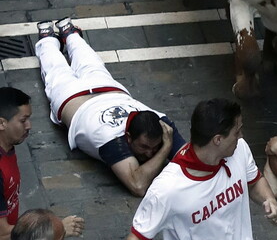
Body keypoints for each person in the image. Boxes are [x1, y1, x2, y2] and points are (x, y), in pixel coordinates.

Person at [34, 17, 186, 197]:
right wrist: (166, 149)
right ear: (128, 137)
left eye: (155, 146)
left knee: (88, 63)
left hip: (107, 89)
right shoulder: (110, 138)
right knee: (58, 69)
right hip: (73, 96)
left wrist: (166, 144)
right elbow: (138, 185)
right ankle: (51, 39)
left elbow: (193, 159)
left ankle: (69, 35)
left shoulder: (161, 123)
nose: (150, 152)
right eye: (144, 147)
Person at [123, 98, 277, 240]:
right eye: (237, 132)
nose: (241, 136)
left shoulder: (239, 149)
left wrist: (269, 199)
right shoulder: (167, 188)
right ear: (218, 139)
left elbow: (254, 181)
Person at [0, 88, 84, 240]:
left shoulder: (7, 147)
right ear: (2, 123)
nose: (29, 125)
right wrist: (55, 230)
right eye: (23, 120)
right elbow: (1, 236)